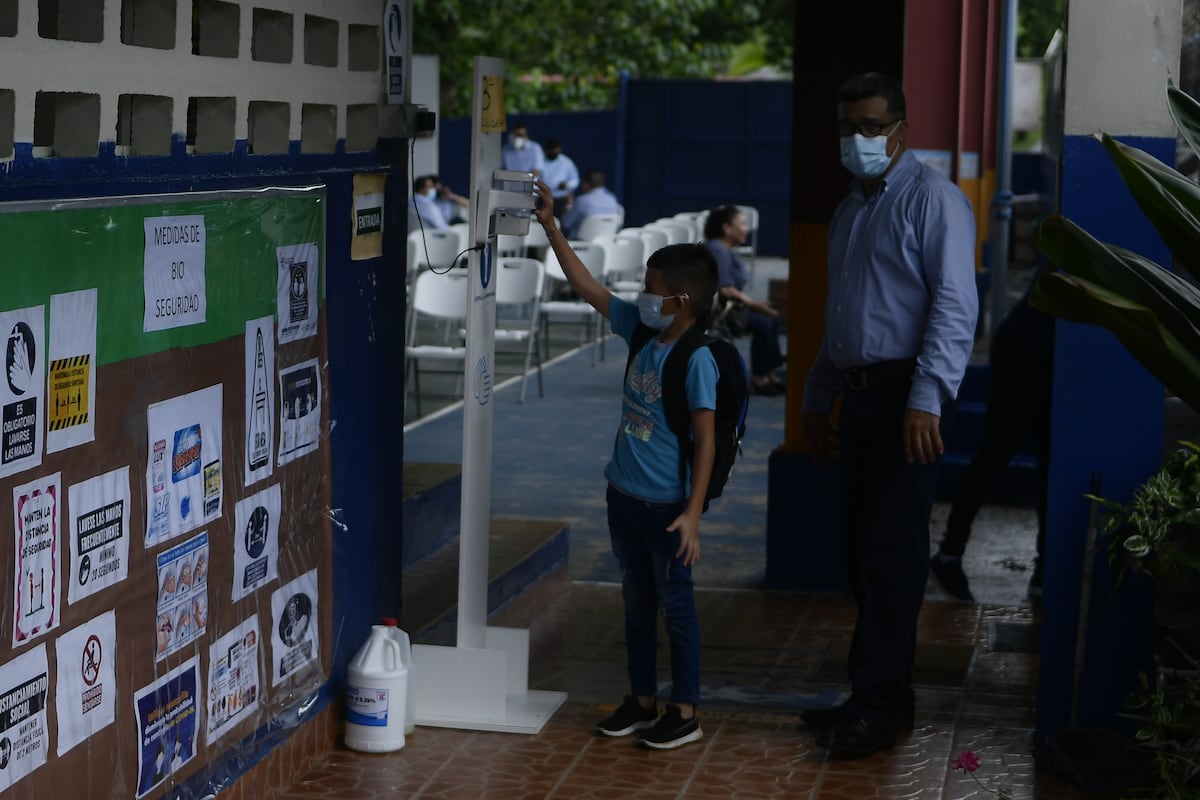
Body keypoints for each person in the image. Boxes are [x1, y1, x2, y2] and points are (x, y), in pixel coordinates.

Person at [800, 72, 979, 757]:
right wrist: (819, 396)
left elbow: (956, 306)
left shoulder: (934, 201)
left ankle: (876, 706)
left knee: (892, 556)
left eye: (872, 127)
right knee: (863, 552)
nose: (858, 139)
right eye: (849, 127)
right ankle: (881, 694)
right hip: (861, 392)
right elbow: (842, 314)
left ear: (901, 130)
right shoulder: (850, 208)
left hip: (910, 395)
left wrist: (926, 397)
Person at [533, 178, 718, 750]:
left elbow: (707, 442)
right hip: (624, 497)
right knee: (636, 605)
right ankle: (642, 700)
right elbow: (587, 286)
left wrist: (692, 514)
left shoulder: (697, 358)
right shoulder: (643, 329)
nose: (643, 295)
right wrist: (550, 227)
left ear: (680, 300)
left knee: (677, 609)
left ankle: (683, 710)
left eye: (652, 289)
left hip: (666, 508)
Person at [930, 270, 1053, 602]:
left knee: (1043, 462)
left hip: (1040, 351)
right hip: (1025, 353)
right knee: (997, 456)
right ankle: (950, 554)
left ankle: (1044, 568)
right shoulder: (1074, 245)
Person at [703, 205, 786, 395]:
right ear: (727, 228)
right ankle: (760, 377)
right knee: (764, 324)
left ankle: (769, 372)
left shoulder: (726, 249)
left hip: (732, 306)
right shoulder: (718, 250)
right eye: (742, 223)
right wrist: (754, 304)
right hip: (719, 312)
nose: (747, 228)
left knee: (772, 320)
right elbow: (724, 289)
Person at [560, 170, 621, 239]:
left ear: (585, 184)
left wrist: (568, 207)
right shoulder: (612, 199)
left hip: (580, 245)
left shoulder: (581, 201)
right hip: (606, 244)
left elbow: (565, 223)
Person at [540, 137, 580, 220]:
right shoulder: (540, 161)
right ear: (547, 150)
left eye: (556, 150)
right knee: (541, 222)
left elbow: (575, 179)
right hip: (542, 199)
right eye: (552, 150)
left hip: (560, 199)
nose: (554, 152)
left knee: (559, 224)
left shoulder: (566, 162)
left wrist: (567, 185)